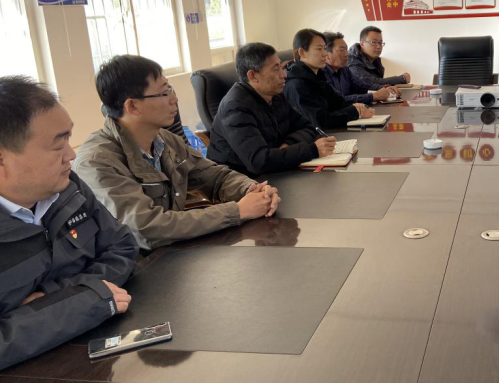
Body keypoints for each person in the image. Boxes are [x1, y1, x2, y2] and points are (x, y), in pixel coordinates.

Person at [0, 76, 138, 370]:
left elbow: (122, 246)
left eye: (68, 138)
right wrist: (82, 302)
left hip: (93, 354)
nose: (71, 154)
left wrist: (54, 296)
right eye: (57, 144)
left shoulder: (67, 189)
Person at [74, 55, 279, 251]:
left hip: (173, 253)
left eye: (170, 88)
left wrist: (252, 190)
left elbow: (216, 177)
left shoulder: (165, 139)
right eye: (164, 93)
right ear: (132, 106)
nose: (174, 99)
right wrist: (237, 211)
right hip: (136, 266)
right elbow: (147, 228)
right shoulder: (96, 162)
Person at [207, 42, 336, 177]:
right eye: (275, 69)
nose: (284, 74)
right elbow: (259, 162)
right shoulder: (235, 108)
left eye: (280, 66)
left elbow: (308, 127)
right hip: (240, 181)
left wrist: (288, 144)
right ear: (253, 76)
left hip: (276, 171)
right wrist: (313, 150)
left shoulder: (274, 95)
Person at [284, 29, 375, 129]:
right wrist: (354, 111)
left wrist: (359, 107)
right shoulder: (297, 84)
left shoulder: (317, 77)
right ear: (302, 52)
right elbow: (320, 121)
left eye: (325, 48)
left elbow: (338, 102)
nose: (325, 54)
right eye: (319, 49)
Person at [322, 31, 399, 103]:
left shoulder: (344, 69)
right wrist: (373, 96)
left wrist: (385, 88)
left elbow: (361, 86)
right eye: (341, 50)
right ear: (326, 54)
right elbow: (337, 100)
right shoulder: (321, 74)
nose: (346, 54)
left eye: (346, 49)